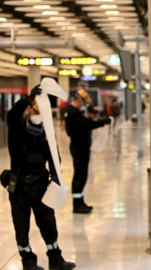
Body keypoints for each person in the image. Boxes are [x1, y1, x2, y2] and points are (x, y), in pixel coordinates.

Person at [5, 85, 76, 270]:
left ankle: (56, 260)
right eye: (34, 109)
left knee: (48, 224)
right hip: (19, 187)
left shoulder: (45, 134)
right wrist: (27, 99)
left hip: (41, 186)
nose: (36, 114)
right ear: (28, 109)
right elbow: (12, 116)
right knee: (21, 227)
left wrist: (56, 178)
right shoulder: (17, 132)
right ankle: (28, 262)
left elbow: (54, 156)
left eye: (40, 111)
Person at [64, 89, 110, 214]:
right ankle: (77, 205)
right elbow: (85, 125)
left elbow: (86, 124)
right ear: (79, 100)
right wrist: (101, 122)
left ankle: (80, 202)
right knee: (79, 175)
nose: (84, 105)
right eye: (83, 102)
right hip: (78, 148)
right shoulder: (72, 113)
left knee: (83, 175)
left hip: (82, 148)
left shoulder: (76, 112)